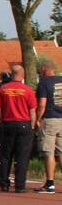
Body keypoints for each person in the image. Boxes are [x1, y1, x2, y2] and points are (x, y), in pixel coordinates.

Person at [0, 66, 38, 193]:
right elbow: (32, 111)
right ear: (23, 75)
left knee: (5, 155)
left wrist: (2, 120)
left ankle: (4, 184)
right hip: (24, 124)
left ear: (11, 74)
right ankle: (19, 185)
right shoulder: (28, 90)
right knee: (22, 156)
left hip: (7, 124)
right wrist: (32, 126)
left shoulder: (3, 89)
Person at [35, 59, 62, 194]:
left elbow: (42, 104)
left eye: (40, 70)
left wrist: (37, 119)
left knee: (48, 151)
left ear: (44, 69)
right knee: (61, 151)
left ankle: (50, 184)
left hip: (50, 119)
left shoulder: (44, 83)